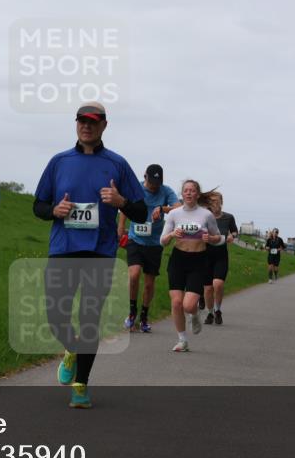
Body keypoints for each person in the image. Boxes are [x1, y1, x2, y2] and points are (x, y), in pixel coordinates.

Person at [33, 102, 147, 408]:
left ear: (104, 126)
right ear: (76, 123)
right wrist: (54, 210)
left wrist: (121, 200)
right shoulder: (59, 162)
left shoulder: (117, 164)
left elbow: (140, 211)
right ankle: (71, 348)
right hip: (63, 248)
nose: (87, 126)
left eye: (93, 122)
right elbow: (38, 205)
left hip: (100, 252)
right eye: (82, 120)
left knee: (89, 318)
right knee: (56, 315)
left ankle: (81, 386)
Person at [159, 180, 223, 352]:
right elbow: (163, 241)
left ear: (197, 194)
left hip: (198, 260)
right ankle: (182, 340)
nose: (188, 193)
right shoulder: (174, 214)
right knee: (177, 302)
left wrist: (210, 239)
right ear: (182, 193)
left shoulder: (206, 215)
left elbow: (219, 238)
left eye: (192, 190)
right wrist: (172, 234)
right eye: (186, 190)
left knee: (188, 305)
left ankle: (194, 315)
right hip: (178, 259)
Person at [118, 164, 179, 333]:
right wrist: (121, 226)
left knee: (150, 283)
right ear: (145, 177)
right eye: (151, 182)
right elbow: (124, 206)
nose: (154, 186)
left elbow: (179, 207)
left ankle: (144, 316)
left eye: (157, 183)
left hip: (155, 243)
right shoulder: (135, 187)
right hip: (135, 239)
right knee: (134, 273)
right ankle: (131, 313)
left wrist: (162, 208)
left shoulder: (166, 191)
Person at [200, 191, 238, 325]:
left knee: (218, 283)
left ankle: (218, 310)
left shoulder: (228, 217)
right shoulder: (204, 217)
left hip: (221, 255)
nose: (214, 204)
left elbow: (234, 231)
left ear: (221, 202)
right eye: (212, 201)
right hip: (205, 255)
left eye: (217, 201)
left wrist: (232, 236)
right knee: (208, 288)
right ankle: (210, 313)